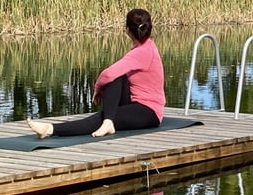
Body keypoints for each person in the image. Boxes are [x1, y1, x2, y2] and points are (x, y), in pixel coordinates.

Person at [26, 8, 165, 138]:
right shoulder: (146, 47)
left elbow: (107, 74)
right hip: (133, 103)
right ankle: (108, 121)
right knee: (117, 77)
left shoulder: (143, 51)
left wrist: (97, 88)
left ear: (127, 30)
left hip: (148, 112)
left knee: (102, 115)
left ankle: (50, 129)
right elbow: (112, 75)